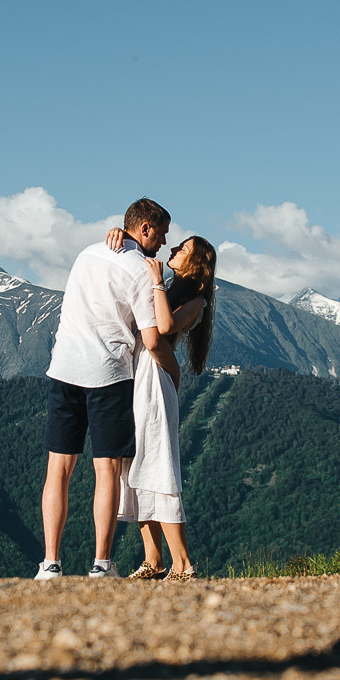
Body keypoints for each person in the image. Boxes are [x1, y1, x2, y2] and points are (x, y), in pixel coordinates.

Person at [37, 197, 170, 578]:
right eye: (160, 234)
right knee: (106, 470)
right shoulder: (141, 271)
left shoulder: (87, 253)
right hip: (108, 373)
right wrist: (171, 370)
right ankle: (101, 564)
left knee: (57, 470)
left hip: (64, 366)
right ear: (144, 228)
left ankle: (50, 564)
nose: (162, 243)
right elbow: (153, 336)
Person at [121, 235, 215, 580]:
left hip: (154, 379)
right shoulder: (175, 290)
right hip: (136, 375)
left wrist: (158, 282)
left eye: (182, 250)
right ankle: (153, 560)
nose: (173, 250)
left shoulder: (197, 300)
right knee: (134, 466)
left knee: (158, 466)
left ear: (197, 263)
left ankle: (183, 563)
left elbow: (163, 328)